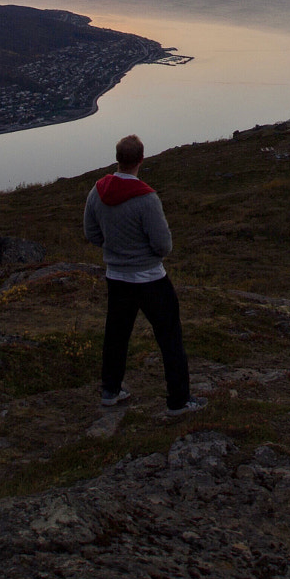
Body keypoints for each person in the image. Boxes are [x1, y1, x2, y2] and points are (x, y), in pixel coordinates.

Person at [83, 133, 204, 415]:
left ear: (118, 158)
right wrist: (144, 255)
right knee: (169, 336)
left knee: (116, 334)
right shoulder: (146, 198)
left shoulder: (97, 191)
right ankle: (179, 401)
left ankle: (110, 390)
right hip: (150, 279)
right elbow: (163, 245)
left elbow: (91, 233)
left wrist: (115, 248)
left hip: (116, 277)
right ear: (141, 159)